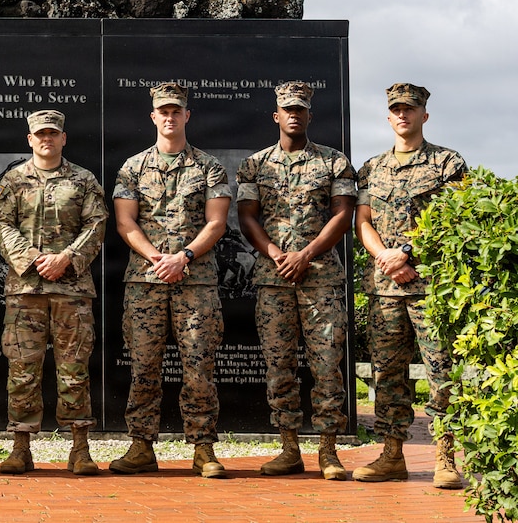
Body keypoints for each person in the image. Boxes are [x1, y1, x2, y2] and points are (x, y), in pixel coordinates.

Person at [109, 82, 231, 477]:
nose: (170, 117)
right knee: (144, 366)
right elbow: (125, 221)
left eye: (176, 111)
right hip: (146, 282)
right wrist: (157, 257)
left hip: (196, 282)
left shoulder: (209, 167)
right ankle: (141, 446)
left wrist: (185, 257)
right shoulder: (133, 167)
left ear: (186, 115)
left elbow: (216, 222)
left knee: (199, 366)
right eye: (163, 111)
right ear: (153, 116)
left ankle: (203, 449)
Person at [235, 82, 355, 480]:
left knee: (326, 365)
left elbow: (342, 215)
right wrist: (273, 252)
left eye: (300, 109)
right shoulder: (255, 165)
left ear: (309, 115)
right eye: (287, 109)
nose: (294, 115)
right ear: (276, 115)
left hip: (320, 278)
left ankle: (328, 451)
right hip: (273, 281)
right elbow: (247, 215)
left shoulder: (334, 162)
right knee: (279, 365)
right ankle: (289, 448)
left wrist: (306, 253)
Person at [352, 83, 466, 489]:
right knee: (388, 374)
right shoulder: (371, 168)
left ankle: (446, 457)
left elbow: (455, 219)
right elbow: (362, 221)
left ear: (424, 115)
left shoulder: (447, 163)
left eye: (411, 109)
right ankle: (391, 454)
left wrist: (406, 253)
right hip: (384, 289)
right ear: (388, 117)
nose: (403, 115)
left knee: (442, 372)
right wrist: (386, 257)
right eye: (397, 109)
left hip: (431, 286)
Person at [0, 110, 108, 475]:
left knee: (74, 368)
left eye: (53, 133)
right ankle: (21, 448)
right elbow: (1, 223)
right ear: (30, 139)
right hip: (25, 289)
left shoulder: (84, 180)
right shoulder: (12, 180)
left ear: (63, 138)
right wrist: (34, 259)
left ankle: (80, 448)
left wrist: (67, 258)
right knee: (22, 368)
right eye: (40, 134)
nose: (47, 139)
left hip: (71, 289)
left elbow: (97, 222)